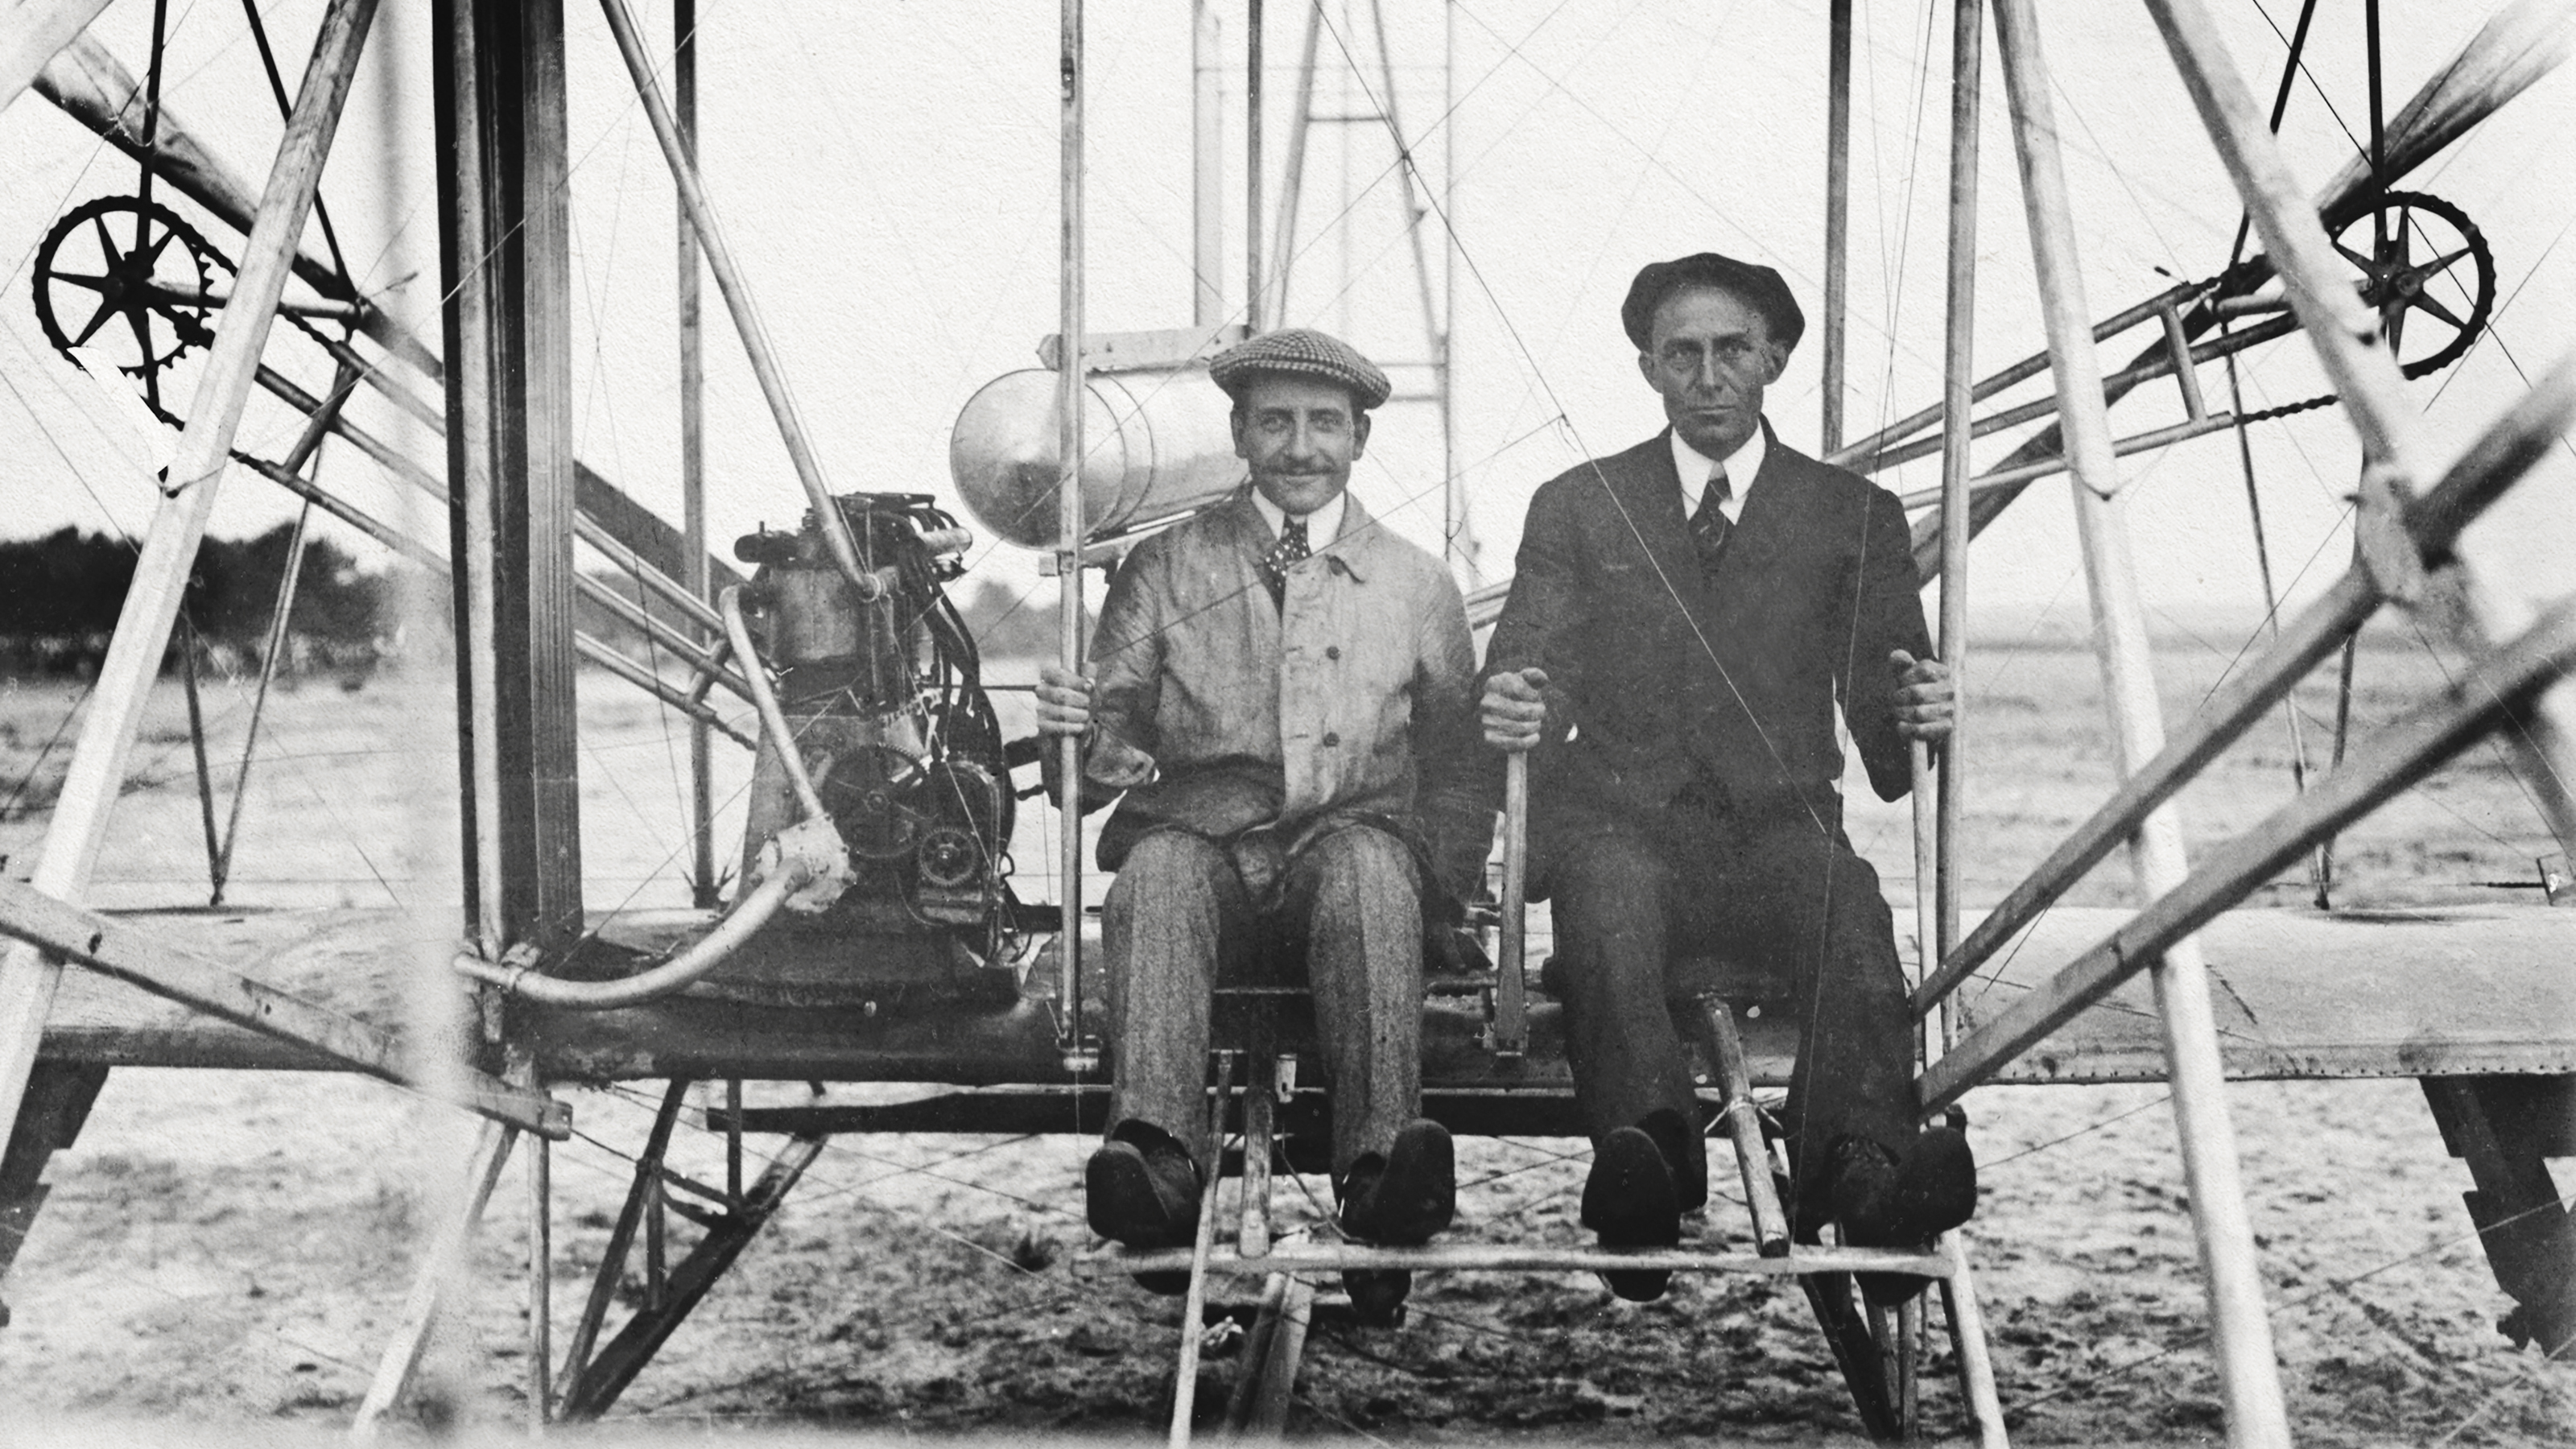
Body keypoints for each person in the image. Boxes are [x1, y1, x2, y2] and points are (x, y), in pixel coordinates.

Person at [1479, 252, 1973, 1303]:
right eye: (1684, 355)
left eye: (1733, 351)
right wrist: (1519, 702)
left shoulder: (1853, 515)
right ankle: (1651, 1165)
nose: (1710, 376)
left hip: (1777, 835)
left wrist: (1921, 714)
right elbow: (1532, 668)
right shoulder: (1580, 505)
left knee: (1848, 909)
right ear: (1650, 370)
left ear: (1775, 360)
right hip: (1623, 827)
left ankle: (1862, 1169)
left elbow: (1891, 740)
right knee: (1603, 915)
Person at [1037, 327, 1491, 1323]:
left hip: (1349, 851)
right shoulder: (1165, 568)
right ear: (1239, 432)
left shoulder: (1417, 584)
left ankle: (1380, 1172)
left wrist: (1441, 889)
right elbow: (1095, 758)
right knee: (1151, 874)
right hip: (1204, 853)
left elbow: (1462, 764)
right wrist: (1071, 734)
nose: (1299, 446)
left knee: (1374, 877)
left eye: (1324, 423)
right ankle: (1153, 1161)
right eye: (1275, 421)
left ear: (1360, 438)